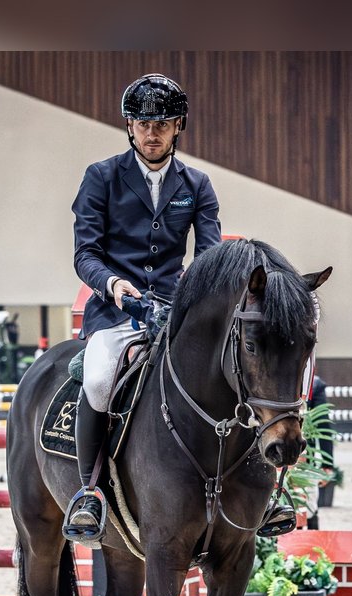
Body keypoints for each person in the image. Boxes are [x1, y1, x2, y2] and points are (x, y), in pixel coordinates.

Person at [65, 74, 292, 545]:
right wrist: (113, 284)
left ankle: (266, 494)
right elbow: (85, 252)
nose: (153, 132)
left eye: (163, 123)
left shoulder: (197, 184)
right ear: (130, 126)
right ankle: (89, 492)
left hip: (174, 311)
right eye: (144, 123)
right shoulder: (100, 177)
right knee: (102, 375)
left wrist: (192, 291)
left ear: (178, 126)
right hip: (116, 309)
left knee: (230, 377)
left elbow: (209, 257)